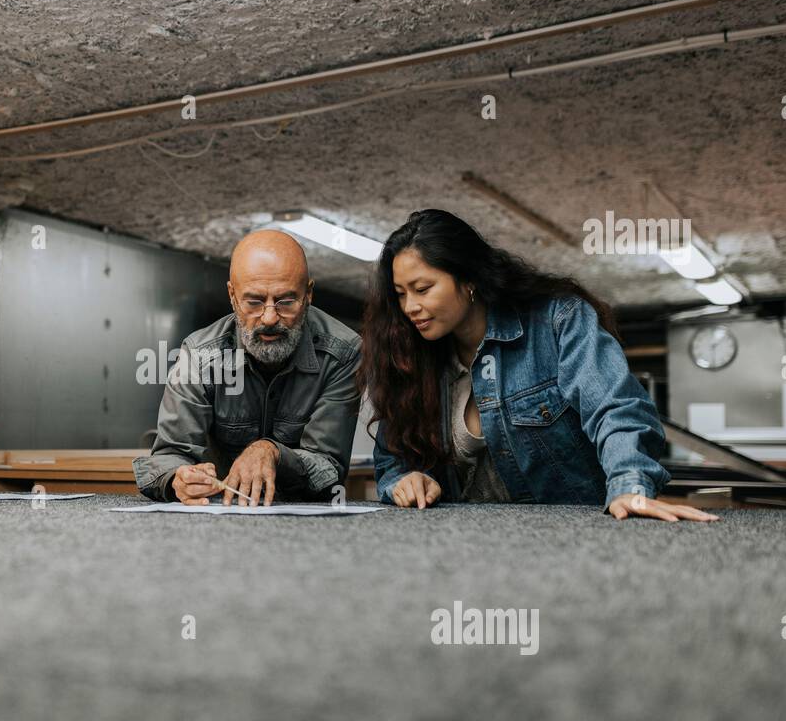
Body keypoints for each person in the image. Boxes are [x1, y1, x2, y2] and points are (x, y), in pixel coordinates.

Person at [358, 209, 716, 522]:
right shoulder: (409, 357)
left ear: (468, 280)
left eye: (422, 289)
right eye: (401, 294)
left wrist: (629, 484)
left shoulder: (559, 321)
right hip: (462, 548)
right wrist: (403, 481)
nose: (409, 308)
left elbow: (615, 408)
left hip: (572, 539)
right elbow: (393, 461)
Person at [134, 229, 361, 506]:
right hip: (221, 518)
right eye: (254, 302)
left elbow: (329, 468)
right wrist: (177, 479)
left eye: (286, 301)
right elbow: (169, 454)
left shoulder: (344, 353)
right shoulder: (199, 354)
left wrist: (272, 453)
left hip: (309, 524)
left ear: (308, 294)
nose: (269, 318)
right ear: (232, 295)